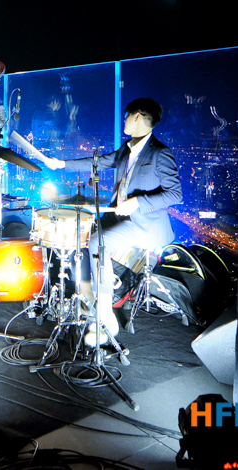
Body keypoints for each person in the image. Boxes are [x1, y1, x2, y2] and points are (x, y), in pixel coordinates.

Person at [42, 97, 182, 346]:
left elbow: (175, 194)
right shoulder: (126, 149)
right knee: (81, 236)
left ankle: (105, 315)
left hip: (145, 225)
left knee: (98, 243)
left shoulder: (160, 153)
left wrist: (137, 201)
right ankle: (89, 298)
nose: (124, 120)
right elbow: (99, 162)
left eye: (127, 116)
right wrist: (60, 164)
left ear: (137, 116)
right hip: (120, 217)